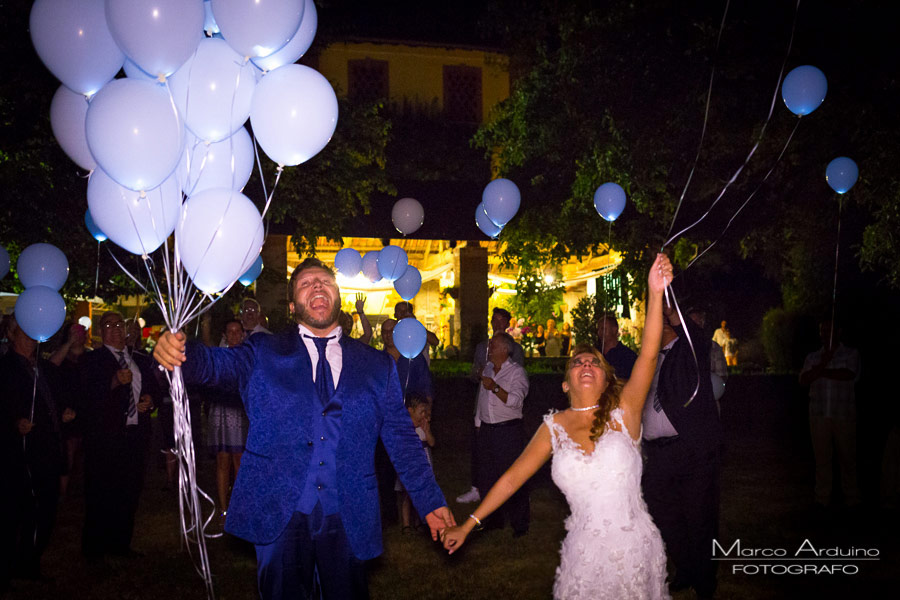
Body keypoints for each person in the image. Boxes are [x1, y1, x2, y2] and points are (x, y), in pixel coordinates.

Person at [153, 257, 454, 599]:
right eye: (306, 283)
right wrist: (179, 352)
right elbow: (213, 365)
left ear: (338, 297)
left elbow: (402, 440)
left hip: (349, 512)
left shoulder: (376, 365)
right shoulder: (263, 351)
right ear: (294, 304)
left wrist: (430, 501)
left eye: (324, 281)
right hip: (280, 510)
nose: (317, 286)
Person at [442, 254, 672, 600]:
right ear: (565, 383)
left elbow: (648, 355)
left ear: (606, 377)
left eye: (594, 361)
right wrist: (468, 524)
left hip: (633, 548)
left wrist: (655, 293)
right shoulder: (554, 427)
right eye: (577, 362)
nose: (585, 365)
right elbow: (512, 478)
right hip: (582, 553)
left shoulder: (626, 410)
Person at [642, 298, 722, 599]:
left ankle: (704, 580)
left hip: (690, 450)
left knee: (699, 515)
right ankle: (684, 567)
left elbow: (697, 339)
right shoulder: (652, 358)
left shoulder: (691, 351)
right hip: (659, 453)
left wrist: (674, 314)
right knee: (664, 512)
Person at [0, 315, 75, 587]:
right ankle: (8, 567)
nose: (32, 336)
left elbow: (55, 398)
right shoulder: (5, 368)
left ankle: (30, 563)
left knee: (44, 512)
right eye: (25, 331)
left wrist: (65, 411)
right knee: (12, 514)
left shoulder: (43, 368)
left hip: (47, 451)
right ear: (11, 334)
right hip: (17, 455)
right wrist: (13, 424)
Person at [79, 312, 158, 560]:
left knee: (129, 491)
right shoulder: (93, 360)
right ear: (101, 332)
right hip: (105, 437)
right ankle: (94, 549)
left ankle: (121, 544)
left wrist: (149, 400)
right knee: (101, 492)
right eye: (109, 325)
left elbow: (153, 388)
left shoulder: (139, 359)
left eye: (118, 325)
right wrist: (113, 381)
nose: (114, 329)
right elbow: (87, 396)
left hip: (134, 436)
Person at [457, 307, 524, 504]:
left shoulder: (515, 350)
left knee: (503, 455)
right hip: (484, 404)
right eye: (493, 319)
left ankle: (506, 492)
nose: (496, 323)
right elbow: (473, 375)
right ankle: (477, 488)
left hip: (503, 411)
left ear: (507, 323)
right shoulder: (482, 347)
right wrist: (478, 372)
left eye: (500, 320)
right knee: (480, 449)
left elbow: (516, 379)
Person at [472, 332, 531, 535]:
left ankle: (519, 523)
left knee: (514, 477)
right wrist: (478, 422)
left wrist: (495, 387)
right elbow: (482, 399)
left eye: (493, 345)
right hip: (488, 430)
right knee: (487, 477)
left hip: (508, 431)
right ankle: (493, 519)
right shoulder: (487, 368)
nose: (489, 349)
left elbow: (516, 401)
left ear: (505, 350)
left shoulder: (517, 373)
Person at [799, 320, 861, 509]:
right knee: (822, 459)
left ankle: (852, 498)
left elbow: (849, 374)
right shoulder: (813, 356)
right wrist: (823, 365)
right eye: (822, 330)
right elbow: (804, 379)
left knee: (848, 457)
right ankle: (822, 498)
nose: (825, 334)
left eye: (829, 330)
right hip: (818, 414)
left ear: (839, 332)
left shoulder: (851, 354)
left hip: (843, 413)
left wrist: (821, 370)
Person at [208, 320, 250, 526]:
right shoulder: (219, 356)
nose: (233, 335)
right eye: (230, 332)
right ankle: (223, 508)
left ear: (242, 334)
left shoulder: (248, 356)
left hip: (241, 412)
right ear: (225, 334)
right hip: (221, 411)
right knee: (222, 460)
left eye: (237, 332)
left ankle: (240, 507)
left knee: (239, 460)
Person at [396, 393, 435, 533]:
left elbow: (432, 443)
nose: (424, 414)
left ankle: (419, 522)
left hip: (424, 457)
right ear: (410, 410)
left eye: (425, 411)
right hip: (409, 459)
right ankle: (406, 524)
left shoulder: (424, 425)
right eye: (421, 411)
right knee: (407, 494)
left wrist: (427, 430)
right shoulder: (405, 426)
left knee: (421, 491)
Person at [596, 314, 638, 380]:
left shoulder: (627, 355)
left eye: (603, 329)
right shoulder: (595, 352)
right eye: (599, 329)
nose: (600, 332)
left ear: (614, 330)